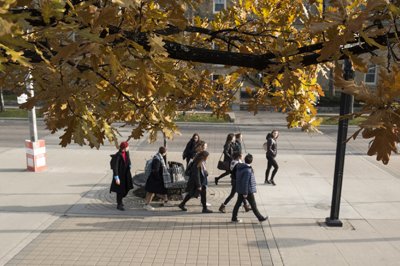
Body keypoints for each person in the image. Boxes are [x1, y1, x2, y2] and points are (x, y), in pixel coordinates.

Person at [231, 154, 268, 223]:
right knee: (253, 205)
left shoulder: (240, 167)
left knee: (238, 204)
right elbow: (245, 182)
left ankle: (234, 218)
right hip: (248, 190)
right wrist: (245, 193)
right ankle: (260, 218)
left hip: (241, 189)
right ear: (251, 161)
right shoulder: (247, 170)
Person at [110, 141, 134, 211]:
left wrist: (129, 164)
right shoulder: (118, 155)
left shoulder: (126, 152)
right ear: (124, 148)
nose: (129, 147)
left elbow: (128, 159)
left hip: (126, 174)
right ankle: (119, 204)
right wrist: (116, 178)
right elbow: (115, 167)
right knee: (120, 191)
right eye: (127, 146)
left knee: (126, 189)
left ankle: (120, 199)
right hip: (120, 176)